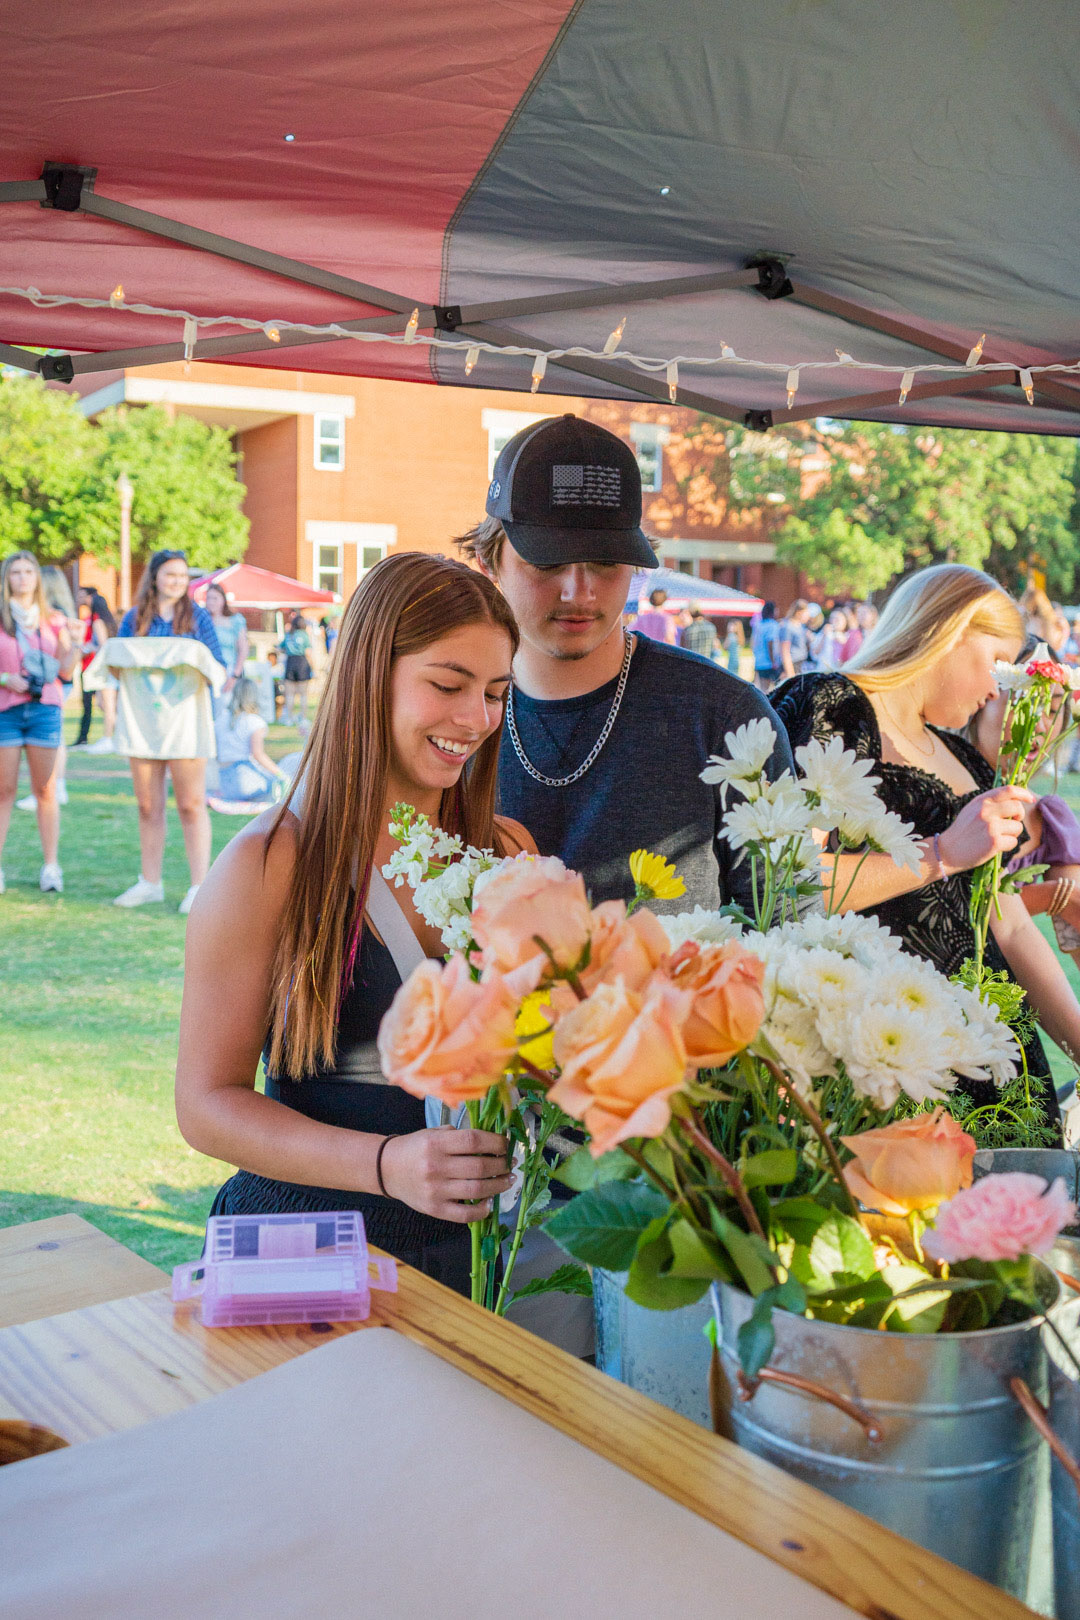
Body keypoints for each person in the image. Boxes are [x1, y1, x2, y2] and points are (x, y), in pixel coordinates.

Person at [176, 552, 530, 1297]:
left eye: (497, 692)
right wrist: (387, 1165)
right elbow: (206, 1106)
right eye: (447, 684)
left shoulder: (508, 850)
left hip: (485, 1262)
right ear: (372, 674)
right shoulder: (271, 864)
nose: (476, 719)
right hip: (311, 1254)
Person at [773, 563, 1080, 1137]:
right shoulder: (833, 706)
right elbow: (788, 886)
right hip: (880, 1062)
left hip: (992, 1065)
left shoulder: (964, 761)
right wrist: (941, 851)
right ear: (950, 631)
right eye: (997, 664)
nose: (997, 690)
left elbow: (1009, 929)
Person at [456, 413, 793, 920]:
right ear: (489, 561)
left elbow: (789, 924)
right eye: (547, 563)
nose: (579, 591)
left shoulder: (726, 718)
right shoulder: (452, 716)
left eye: (606, 563)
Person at [110, 549, 225, 914]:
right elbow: (116, 663)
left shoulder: (198, 618)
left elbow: (218, 667)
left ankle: (199, 886)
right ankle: (150, 881)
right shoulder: (135, 618)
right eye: (169, 574)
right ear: (155, 577)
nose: (176, 581)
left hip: (186, 722)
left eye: (182, 575)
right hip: (144, 723)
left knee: (191, 804)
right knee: (148, 805)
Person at [969, 650, 1080, 974]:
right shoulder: (931, 794)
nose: (1040, 721)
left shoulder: (1050, 818)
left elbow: (1075, 931)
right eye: (1025, 701)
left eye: (1054, 705)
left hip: (1002, 996)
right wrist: (1051, 896)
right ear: (983, 699)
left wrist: (1062, 896)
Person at [0, 551, 77, 894]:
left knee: (45, 790)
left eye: (28, 571)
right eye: (15, 572)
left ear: (37, 578)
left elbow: (66, 670)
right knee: (4, 791)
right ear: (7, 579)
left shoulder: (54, 620)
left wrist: (73, 643)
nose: (22, 578)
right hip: (7, 711)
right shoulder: (1, 618)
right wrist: (5, 677)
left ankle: (51, 866)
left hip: (45, 710)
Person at [207, 677, 288, 814]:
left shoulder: (221, 719)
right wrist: (281, 775)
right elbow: (258, 755)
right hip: (244, 779)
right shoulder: (254, 722)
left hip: (223, 781)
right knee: (276, 783)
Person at [73, 587, 117, 751]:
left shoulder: (98, 621)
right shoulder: (108, 621)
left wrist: (86, 648)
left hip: (103, 667)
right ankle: (115, 736)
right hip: (107, 666)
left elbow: (103, 645)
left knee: (106, 703)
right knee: (103, 703)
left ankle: (108, 738)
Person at [204, 581, 249, 700]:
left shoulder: (235, 620)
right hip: (205, 670)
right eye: (208, 598)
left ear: (223, 599)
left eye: (215, 598)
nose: (211, 602)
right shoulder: (202, 621)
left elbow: (243, 648)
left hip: (228, 670)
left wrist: (235, 675)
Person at [279, 612, 313, 728]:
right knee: (303, 694)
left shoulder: (289, 634)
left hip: (290, 662)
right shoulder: (304, 635)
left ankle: (289, 718)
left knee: (289, 694)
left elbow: (281, 647)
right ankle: (303, 718)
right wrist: (313, 667)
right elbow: (308, 652)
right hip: (302, 662)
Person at [749, 600, 783, 692]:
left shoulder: (758, 624)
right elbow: (770, 644)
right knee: (770, 690)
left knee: (762, 688)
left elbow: (754, 642)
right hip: (768, 662)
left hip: (759, 661)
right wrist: (773, 661)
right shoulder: (772, 625)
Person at [779, 598, 813, 681]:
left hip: (801, 664)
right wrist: (790, 674)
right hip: (792, 665)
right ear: (799, 612)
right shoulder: (788, 627)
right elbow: (785, 651)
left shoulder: (801, 626)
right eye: (806, 613)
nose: (808, 616)